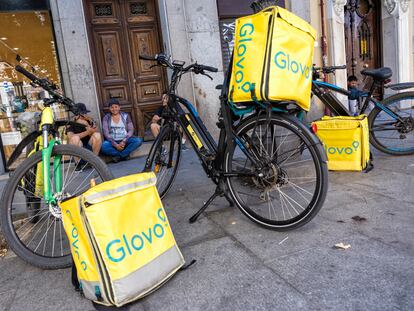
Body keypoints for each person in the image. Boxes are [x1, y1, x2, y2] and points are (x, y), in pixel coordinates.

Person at [101, 98, 143, 162]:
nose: (114, 109)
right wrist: (116, 145)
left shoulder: (125, 116)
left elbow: (131, 130)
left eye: (116, 107)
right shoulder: (106, 118)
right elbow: (106, 133)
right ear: (109, 108)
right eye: (112, 107)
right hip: (112, 141)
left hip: (125, 140)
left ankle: (119, 156)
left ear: (119, 107)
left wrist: (124, 141)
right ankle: (124, 155)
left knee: (138, 141)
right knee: (104, 147)